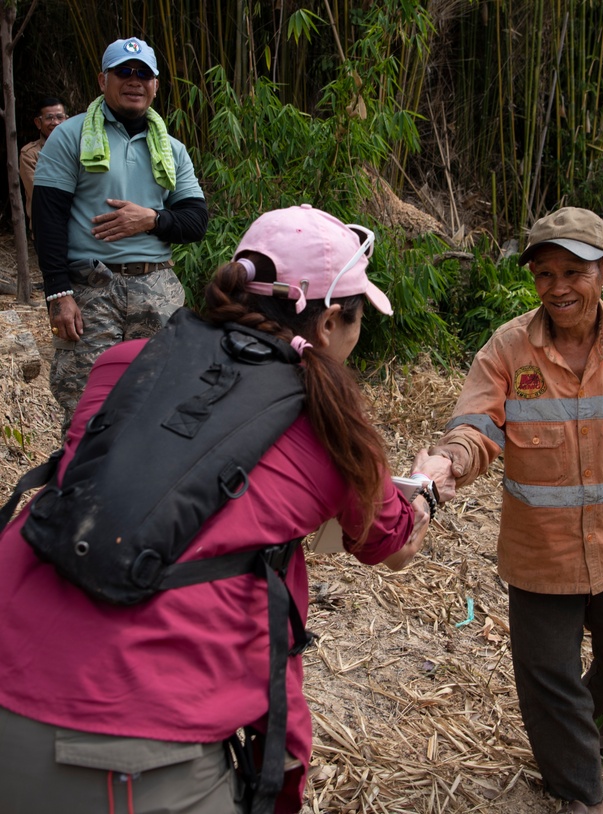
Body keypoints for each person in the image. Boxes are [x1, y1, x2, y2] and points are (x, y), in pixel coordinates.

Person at [0, 204, 455, 814]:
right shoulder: (331, 422)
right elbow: (392, 546)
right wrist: (423, 484)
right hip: (132, 740)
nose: (356, 334)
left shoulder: (128, 360)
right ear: (326, 326)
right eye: (358, 318)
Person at [428, 207, 603, 814]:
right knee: (547, 676)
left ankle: (566, 733)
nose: (556, 288)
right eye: (544, 274)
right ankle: (581, 793)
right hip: (540, 553)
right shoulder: (508, 346)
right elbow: (476, 422)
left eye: (572, 273)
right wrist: (450, 459)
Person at [32, 36, 209, 428]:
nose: (134, 81)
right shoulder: (70, 136)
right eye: (123, 72)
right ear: (102, 79)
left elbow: (196, 222)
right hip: (91, 288)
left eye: (144, 74)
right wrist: (58, 293)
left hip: (157, 287)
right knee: (86, 408)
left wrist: (153, 219)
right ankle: (79, 486)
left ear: (156, 85)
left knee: (159, 403)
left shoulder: (172, 149)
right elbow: (47, 217)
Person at [18, 95, 68, 233]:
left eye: (60, 117)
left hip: (79, 228)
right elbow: (40, 195)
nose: (55, 122)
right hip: (47, 228)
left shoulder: (81, 149)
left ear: (67, 120)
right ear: (38, 122)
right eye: (49, 118)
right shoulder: (30, 154)